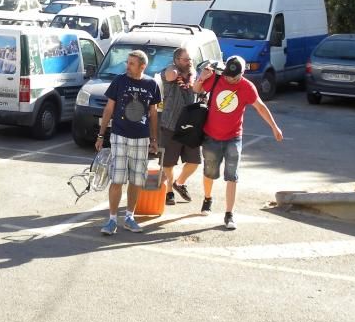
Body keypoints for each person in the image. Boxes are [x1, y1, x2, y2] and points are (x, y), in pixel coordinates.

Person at [194, 55, 283, 230]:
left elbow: (260, 107)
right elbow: (196, 90)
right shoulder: (216, 78)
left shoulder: (247, 87)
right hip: (211, 135)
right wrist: (201, 78)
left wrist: (274, 127)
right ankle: (208, 198)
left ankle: (229, 214)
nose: (230, 79)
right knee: (209, 172)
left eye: (234, 77)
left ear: (242, 73)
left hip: (234, 137)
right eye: (228, 75)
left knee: (232, 176)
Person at [95, 50, 160, 235]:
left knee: (137, 180)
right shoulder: (119, 81)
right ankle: (112, 220)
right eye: (127, 62)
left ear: (142, 66)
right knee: (117, 179)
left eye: (132, 63)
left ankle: (129, 217)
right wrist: (101, 135)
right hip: (120, 136)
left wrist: (154, 139)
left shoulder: (151, 84)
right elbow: (109, 108)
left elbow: (153, 113)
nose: (127, 66)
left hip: (142, 138)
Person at [158, 47, 201, 205]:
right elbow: (170, 75)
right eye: (185, 59)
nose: (189, 62)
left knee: (195, 161)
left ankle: (179, 183)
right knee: (167, 163)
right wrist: (175, 69)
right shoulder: (168, 72)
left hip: (190, 125)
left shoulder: (193, 74)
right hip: (171, 124)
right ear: (176, 61)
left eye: (190, 59)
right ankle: (169, 191)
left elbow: (200, 89)